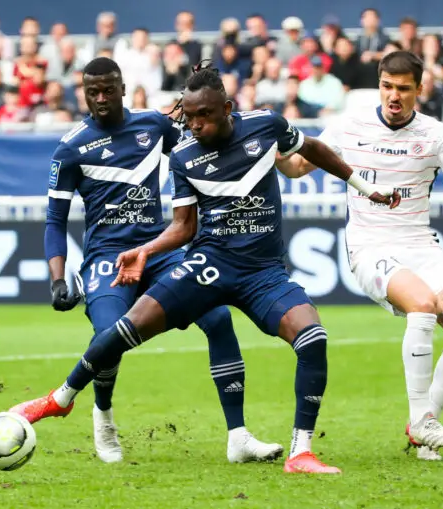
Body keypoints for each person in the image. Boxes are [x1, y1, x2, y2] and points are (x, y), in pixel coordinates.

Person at [10, 63, 400, 474]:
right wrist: (60, 276)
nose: (195, 125)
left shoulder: (250, 126)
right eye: (191, 117)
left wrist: (365, 188)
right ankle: (74, 404)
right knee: (116, 332)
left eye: (204, 115)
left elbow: (311, 149)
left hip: (256, 270)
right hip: (146, 257)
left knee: (291, 333)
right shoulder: (132, 152)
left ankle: (277, 447)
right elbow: (175, 225)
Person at [277, 51, 443, 461]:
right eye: (387, 87)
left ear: (419, 89)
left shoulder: (435, 134)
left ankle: (422, 428)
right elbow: (297, 167)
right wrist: (273, 153)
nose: (394, 96)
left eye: (403, 89)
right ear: (379, 85)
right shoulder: (349, 126)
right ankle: (423, 420)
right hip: (370, 246)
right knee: (423, 306)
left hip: (421, 245)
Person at [32, 57, 281, 464]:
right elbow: (54, 220)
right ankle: (103, 416)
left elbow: (200, 151)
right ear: (83, 93)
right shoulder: (70, 149)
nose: (100, 98)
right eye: (92, 92)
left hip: (159, 252)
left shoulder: (154, 125)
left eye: (108, 89)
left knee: (218, 318)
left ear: (123, 88)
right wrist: (58, 279)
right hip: (108, 258)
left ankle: (238, 436)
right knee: (108, 336)